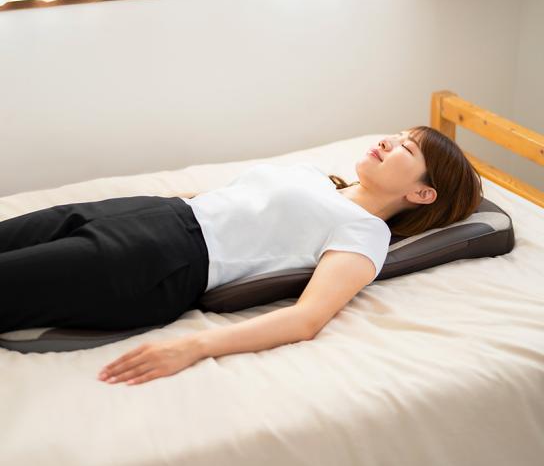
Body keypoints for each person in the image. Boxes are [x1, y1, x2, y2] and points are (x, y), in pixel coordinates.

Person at [0, 125, 482, 386]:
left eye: (406, 150)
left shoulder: (365, 232)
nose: (387, 141)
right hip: (150, 213)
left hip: (159, 259)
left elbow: (306, 318)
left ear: (422, 194)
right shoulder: (317, 178)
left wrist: (193, 347)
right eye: (396, 135)